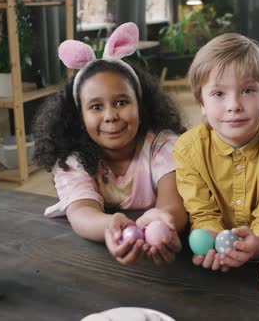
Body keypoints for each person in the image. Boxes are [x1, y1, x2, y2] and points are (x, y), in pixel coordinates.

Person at [33, 22, 187, 266]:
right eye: (96, 106)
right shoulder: (74, 162)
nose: (110, 115)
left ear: (141, 106)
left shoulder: (162, 146)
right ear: (80, 117)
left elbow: (173, 203)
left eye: (121, 102)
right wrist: (110, 226)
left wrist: (161, 219)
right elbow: (81, 212)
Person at [173, 33, 259, 272]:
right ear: (202, 104)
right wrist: (211, 241)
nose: (234, 105)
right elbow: (202, 211)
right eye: (218, 93)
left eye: (247, 90)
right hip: (213, 258)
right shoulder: (187, 149)